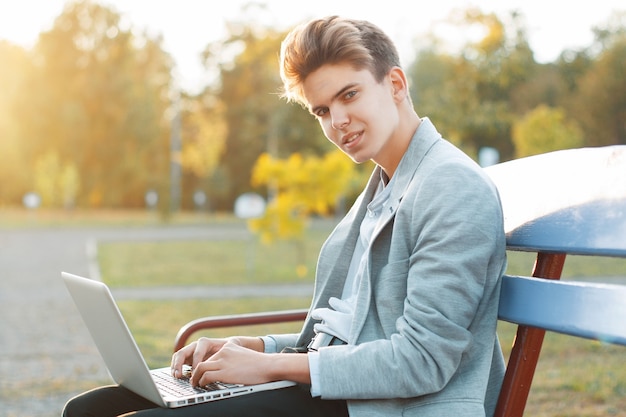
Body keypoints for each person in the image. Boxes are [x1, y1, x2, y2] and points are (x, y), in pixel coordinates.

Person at [63, 15, 507, 417]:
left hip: (393, 406)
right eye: (322, 111)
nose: (339, 122)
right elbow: (344, 334)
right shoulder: (385, 185)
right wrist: (254, 348)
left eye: (348, 95)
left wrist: (267, 366)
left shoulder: (451, 185)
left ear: (395, 84)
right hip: (342, 395)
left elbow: (421, 363)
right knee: (89, 409)